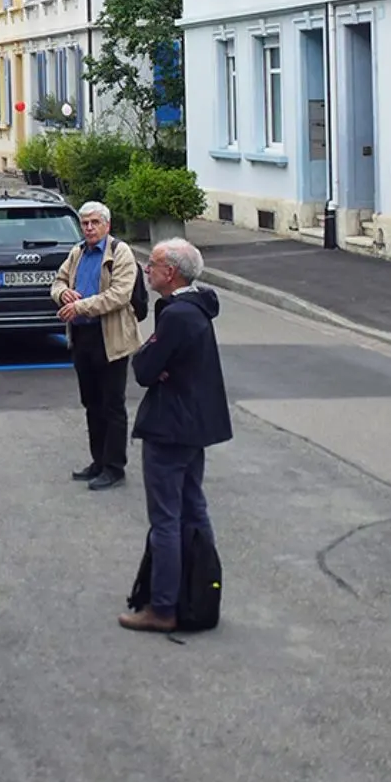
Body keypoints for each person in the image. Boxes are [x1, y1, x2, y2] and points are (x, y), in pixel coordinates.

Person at [121, 240, 231, 633]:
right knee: (193, 508)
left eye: (151, 265)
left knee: (166, 518)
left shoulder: (178, 315)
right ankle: (198, 592)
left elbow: (145, 368)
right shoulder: (195, 306)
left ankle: (163, 607)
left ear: (171, 273)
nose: (146, 270)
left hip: (171, 425)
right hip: (194, 425)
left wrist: (152, 361)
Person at [54, 202, 143, 492]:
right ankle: (98, 460)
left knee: (112, 405)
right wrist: (62, 293)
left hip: (112, 338)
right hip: (82, 338)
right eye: (85, 223)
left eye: (94, 222)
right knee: (91, 403)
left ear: (107, 225)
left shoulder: (121, 252)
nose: (89, 228)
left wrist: (80, 306)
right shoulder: (77, 251)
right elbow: (57, 281)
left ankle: (114, 467)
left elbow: (119, 295)